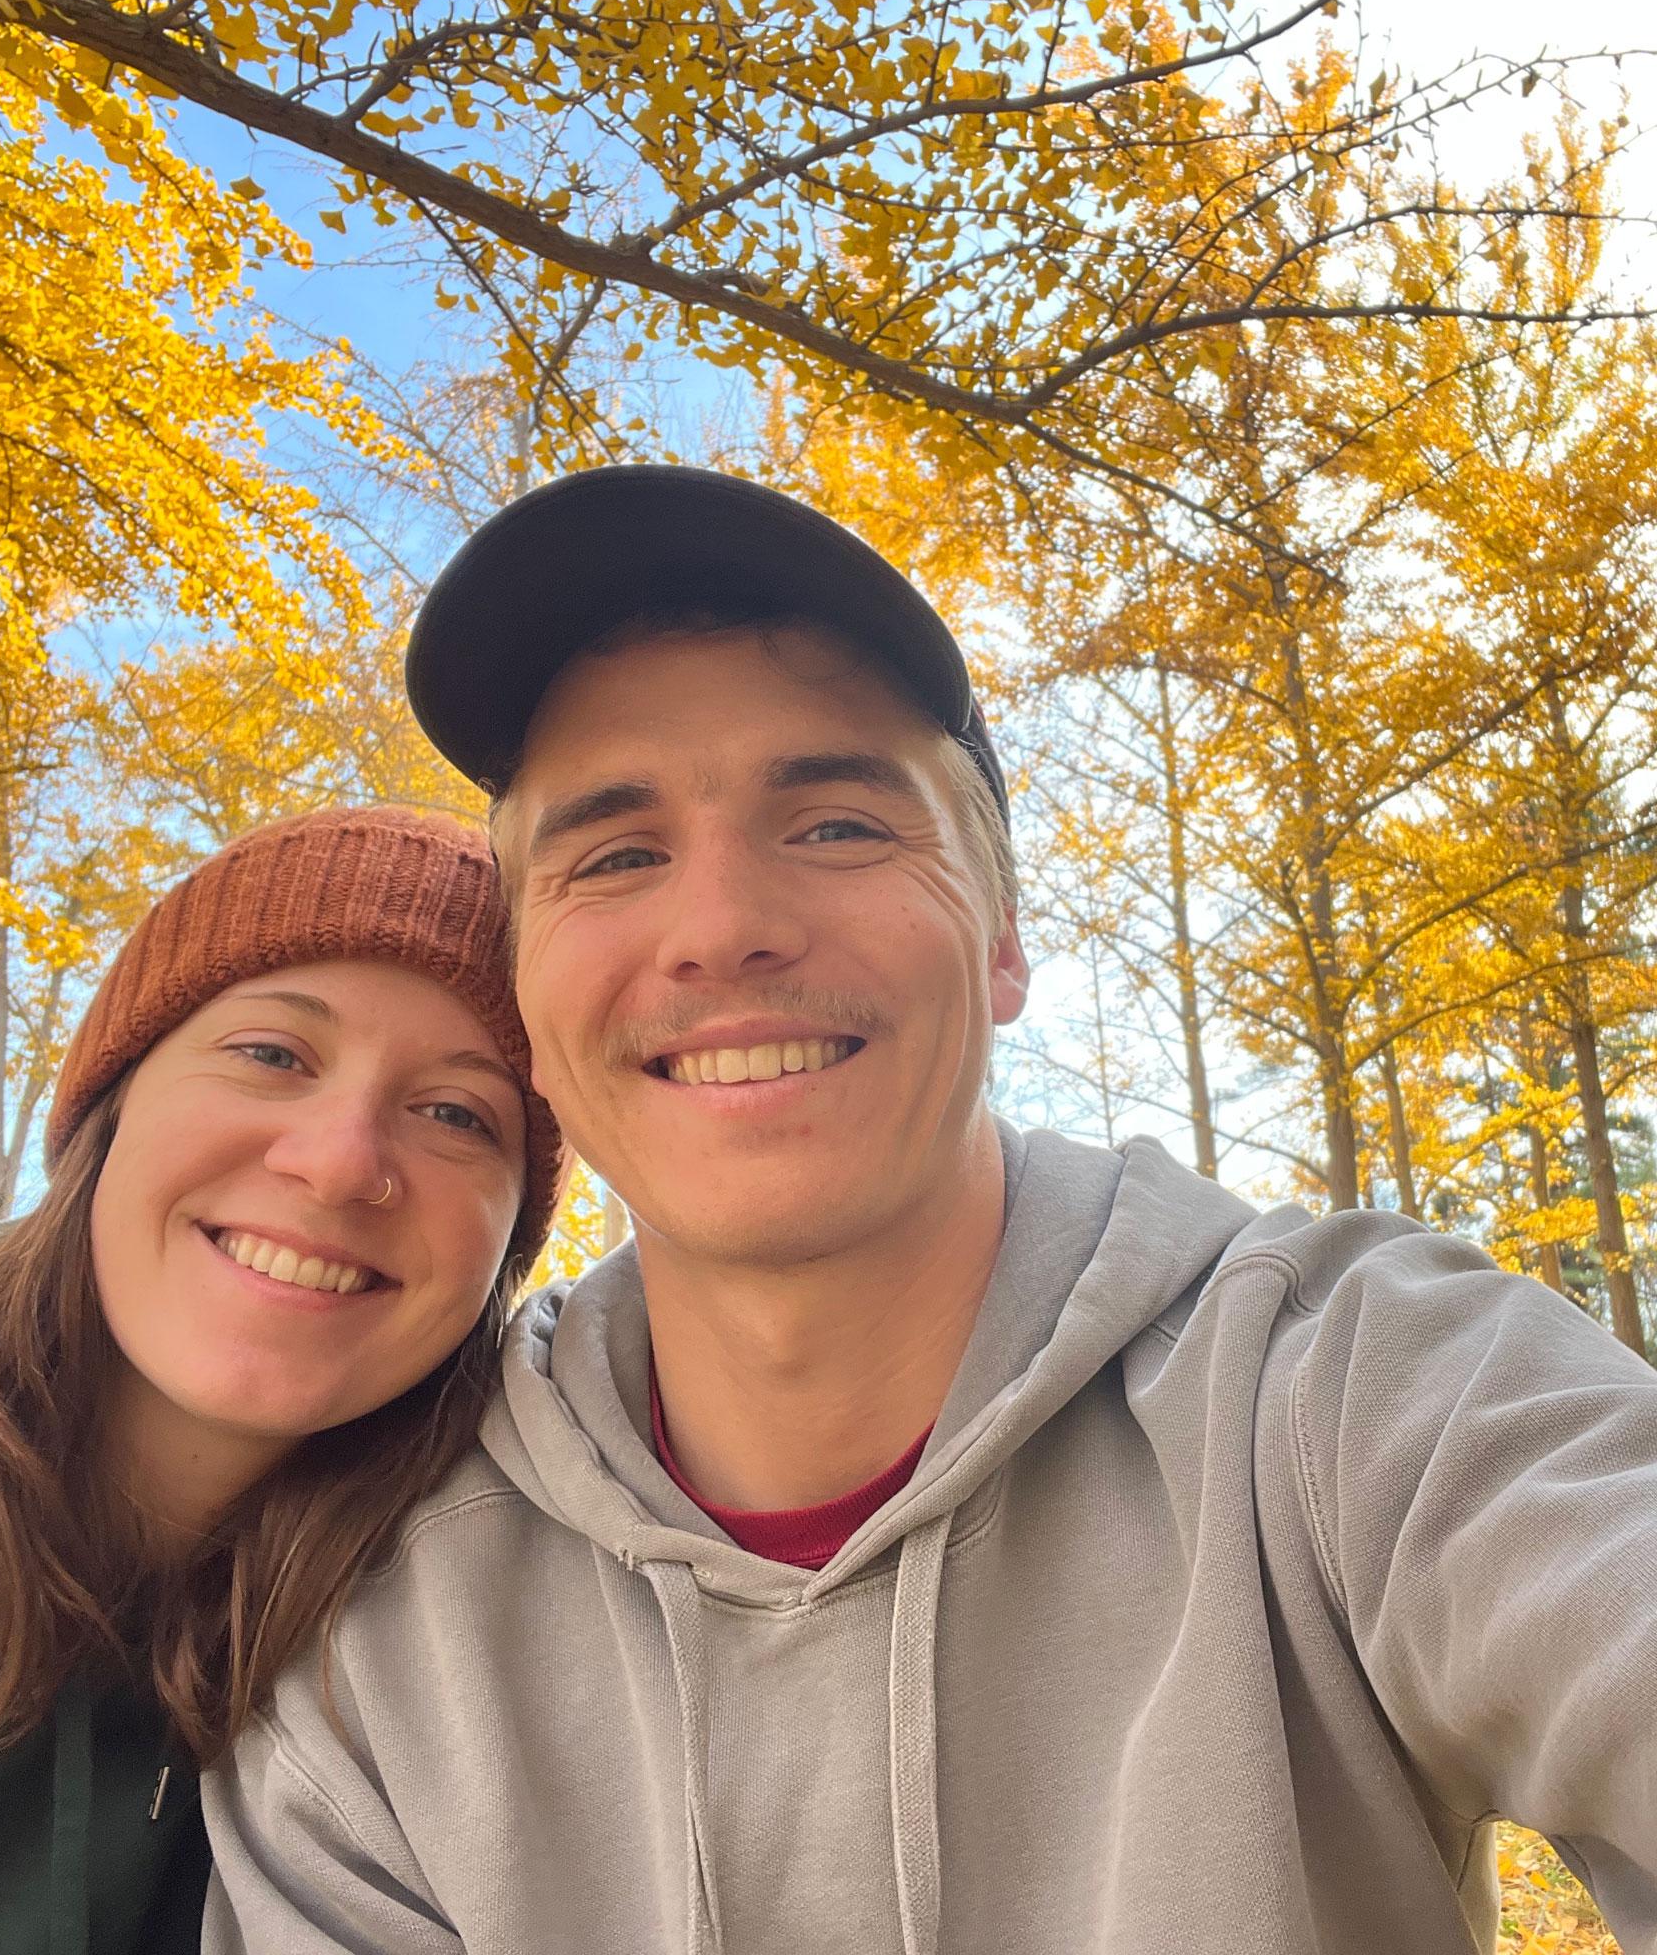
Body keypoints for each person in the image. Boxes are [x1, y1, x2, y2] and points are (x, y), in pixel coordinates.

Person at [205, 470, 1657, 1955]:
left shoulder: (1355, 1392)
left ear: (1005, 939)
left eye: (835, 825)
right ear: (524, 1001)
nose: (719, 928)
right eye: (619, 855)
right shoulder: (375, 1636)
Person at [0, 805, 563, 1955]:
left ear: (503, 1247)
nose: (338, 1162)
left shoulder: (450, 1671)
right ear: (110, 1103)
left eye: (455, 1112)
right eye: (273, 1054)